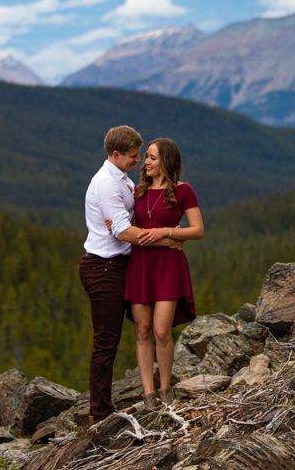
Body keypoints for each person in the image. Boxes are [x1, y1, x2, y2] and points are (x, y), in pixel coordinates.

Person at [79, 126, 180, 425]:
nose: (139, 162)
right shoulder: (106, 185)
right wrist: (166, 239)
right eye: (135, 156)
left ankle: (121, 401)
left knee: (135, 332)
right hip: (103, 267)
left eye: (142, 156)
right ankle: (100, 412)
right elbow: (122, 230)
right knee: (106, 341)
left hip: (121, 265)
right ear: (116, 154)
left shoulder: (121, 179)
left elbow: (130, 221)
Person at [114, 138, 203, 409]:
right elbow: (124, 225)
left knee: (162, 330)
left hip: (168, 266)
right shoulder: (137, 191)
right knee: (142, 330)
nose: (146, 162)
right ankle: (148, 395)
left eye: (152, 157)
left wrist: (167, 232)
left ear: (166, 161)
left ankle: (166, 389)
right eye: (146, 157)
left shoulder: (182, 191)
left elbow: (197, 230)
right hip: (140, 264)